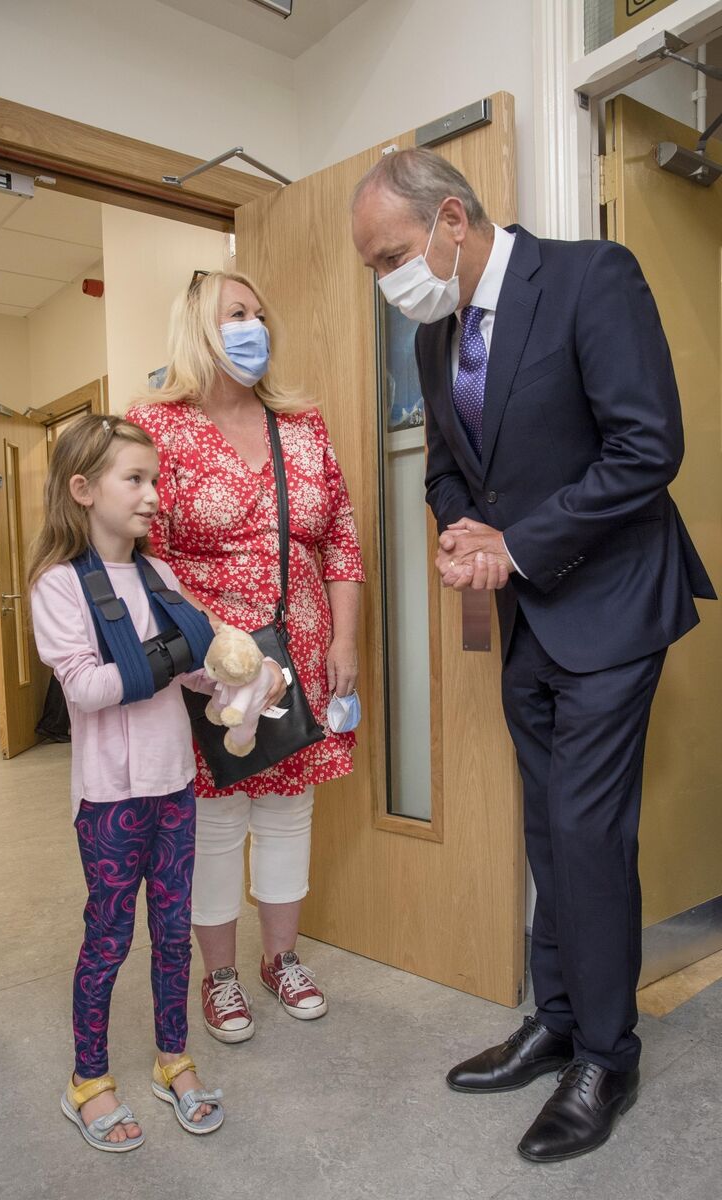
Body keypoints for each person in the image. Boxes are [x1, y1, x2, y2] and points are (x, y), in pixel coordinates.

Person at [351, 148, 715, 1163]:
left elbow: (646, 446)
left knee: (588, 834)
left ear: (450, 220)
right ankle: (556, 1021)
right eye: (373, 267)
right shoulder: (436, 338)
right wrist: (464, 532)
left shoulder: (591, 276)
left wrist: (516, 545)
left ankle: (606, 1054)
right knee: (549, 830)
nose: (387, 282)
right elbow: (447, 472)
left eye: (390, 256)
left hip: (610, 607)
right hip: (523, 618)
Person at [127, 271, 364, 1044]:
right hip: (210, 662)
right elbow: (143, 556)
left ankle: (282, 959)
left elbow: (341, 536)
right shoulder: (156, 426)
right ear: (199, 324)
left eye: (259, 314)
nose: (253, 326)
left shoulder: (300, 425)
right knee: (217, 816)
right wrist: (206, 647)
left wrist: (345, 639)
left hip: (300, 651)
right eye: (237, 314)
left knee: (290, 809)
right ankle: (221, 974)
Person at [29, 414, 277, 1150]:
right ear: (83, 489)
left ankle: (174, 1059)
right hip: (108, 796)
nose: (152, 496)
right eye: (134, 480)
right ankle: (88, 1081)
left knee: (173, 934)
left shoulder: (158, 575)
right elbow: (87, 688)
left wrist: (245, 677)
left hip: (173, 785)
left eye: (155, 479)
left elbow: (196, 669)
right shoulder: (58, 586)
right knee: (108, 938)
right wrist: (172, 656)